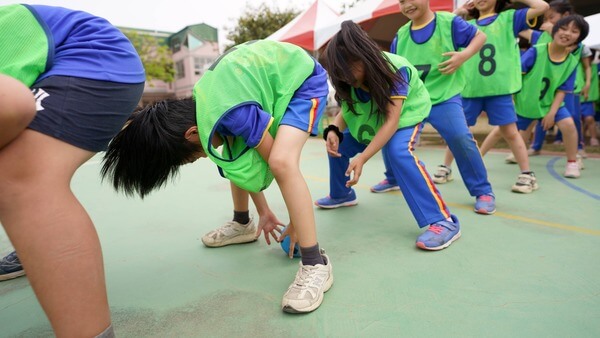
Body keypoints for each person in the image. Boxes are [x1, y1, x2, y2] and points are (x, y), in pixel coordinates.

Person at [101, 39, 333, 314]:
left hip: (302, 83)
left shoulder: (230, 113)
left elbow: (273, 163)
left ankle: (315, 262)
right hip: (269, 82)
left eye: (190, 158)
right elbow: (243, 163)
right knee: (234, 155)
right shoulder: (206, 109)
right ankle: (242, 223)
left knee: (281, 161)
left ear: (190, 134)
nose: (196, 159)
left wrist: (296, 221)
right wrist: (265, 211)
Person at [0, 4, 145, 337]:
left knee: (22, 176)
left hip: (98, 61)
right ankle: (31, 246)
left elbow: (11, 101)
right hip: (90, 64)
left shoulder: (7, 25)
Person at [315, 21, 461, 250]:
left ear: (362, 56)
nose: (343, 78)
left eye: (346, 70)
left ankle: (442, 220)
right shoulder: (349, 78)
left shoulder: (395, 69)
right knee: (338, 147)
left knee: (397, 151)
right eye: (338, 74)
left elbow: (392, 121)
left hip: (405, 117)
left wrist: (362, 158)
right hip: (372, 120)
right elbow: (347, 108)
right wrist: (333, 129)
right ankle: (342, 194)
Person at [369, 0, 497, 215]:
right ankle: (392, 178)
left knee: (460, 137)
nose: (407, 4)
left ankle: (483, 191)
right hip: (413, 99)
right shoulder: (401, 34)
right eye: (401, 1)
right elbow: (394, 67)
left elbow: (480, 36)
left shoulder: (448, 22)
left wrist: (463, 56)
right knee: (390, 136)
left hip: (444, 96)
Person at [442, 0, 548, 194]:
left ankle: (527, 174)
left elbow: (542, 7)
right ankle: (446, 167)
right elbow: (444, 24)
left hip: (499, 89)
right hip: (471, 89)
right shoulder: (466, 25)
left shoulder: (509, 18)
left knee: (509, 131)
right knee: (458, 131)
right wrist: (459, 11)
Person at [514, 15, 589, 178]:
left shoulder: (571, 62)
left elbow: (562, 90)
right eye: (563, 28)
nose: (567, 33)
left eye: (574, 31)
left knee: (569, 124)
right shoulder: (536, 51)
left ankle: (572, 163)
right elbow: (516, 76)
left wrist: (552, 113)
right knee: (516, 136)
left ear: (579, 39)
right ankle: (522, 168)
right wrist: (512, 99)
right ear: (554, 30)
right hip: (528, 103)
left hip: (550, 103)